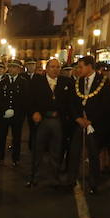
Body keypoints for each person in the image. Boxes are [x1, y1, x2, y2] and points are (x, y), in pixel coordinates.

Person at [65, 57, 108, 193]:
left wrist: (91, 120)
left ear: (90, 67)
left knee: (94, 154)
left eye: (81, 67)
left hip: (94, 125)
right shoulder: (78, 82)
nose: (78, 69)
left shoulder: (103, 82)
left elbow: (104, 105)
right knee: (74, 152)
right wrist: (77, 118)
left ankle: (94, 183)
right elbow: (71, 103)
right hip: (79, 123)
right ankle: (71, 180)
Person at [26, 59, 70, 188]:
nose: (55, 69)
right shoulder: (37, 81)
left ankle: (54, 177)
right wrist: (34, 112)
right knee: (37, 150)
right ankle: (34, 176)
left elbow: (69, 102)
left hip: (58, 121)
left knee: (56, 150)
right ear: (47, 68)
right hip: (42, 120)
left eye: (57, 67)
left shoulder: (65, 82)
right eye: (52, 67)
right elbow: (29, 99)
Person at [0, 61, 25, 166]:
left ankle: (15, 159)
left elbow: (25, 99)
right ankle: (0, 158)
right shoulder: (3, 81)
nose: (12, 69)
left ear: (19, 69)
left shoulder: (23, 82)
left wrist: (17, 111)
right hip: (4, 115)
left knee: (16, 137)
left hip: (17, 115)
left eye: (15, 67)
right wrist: (3, 110)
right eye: (10, 67)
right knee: (1, 137)